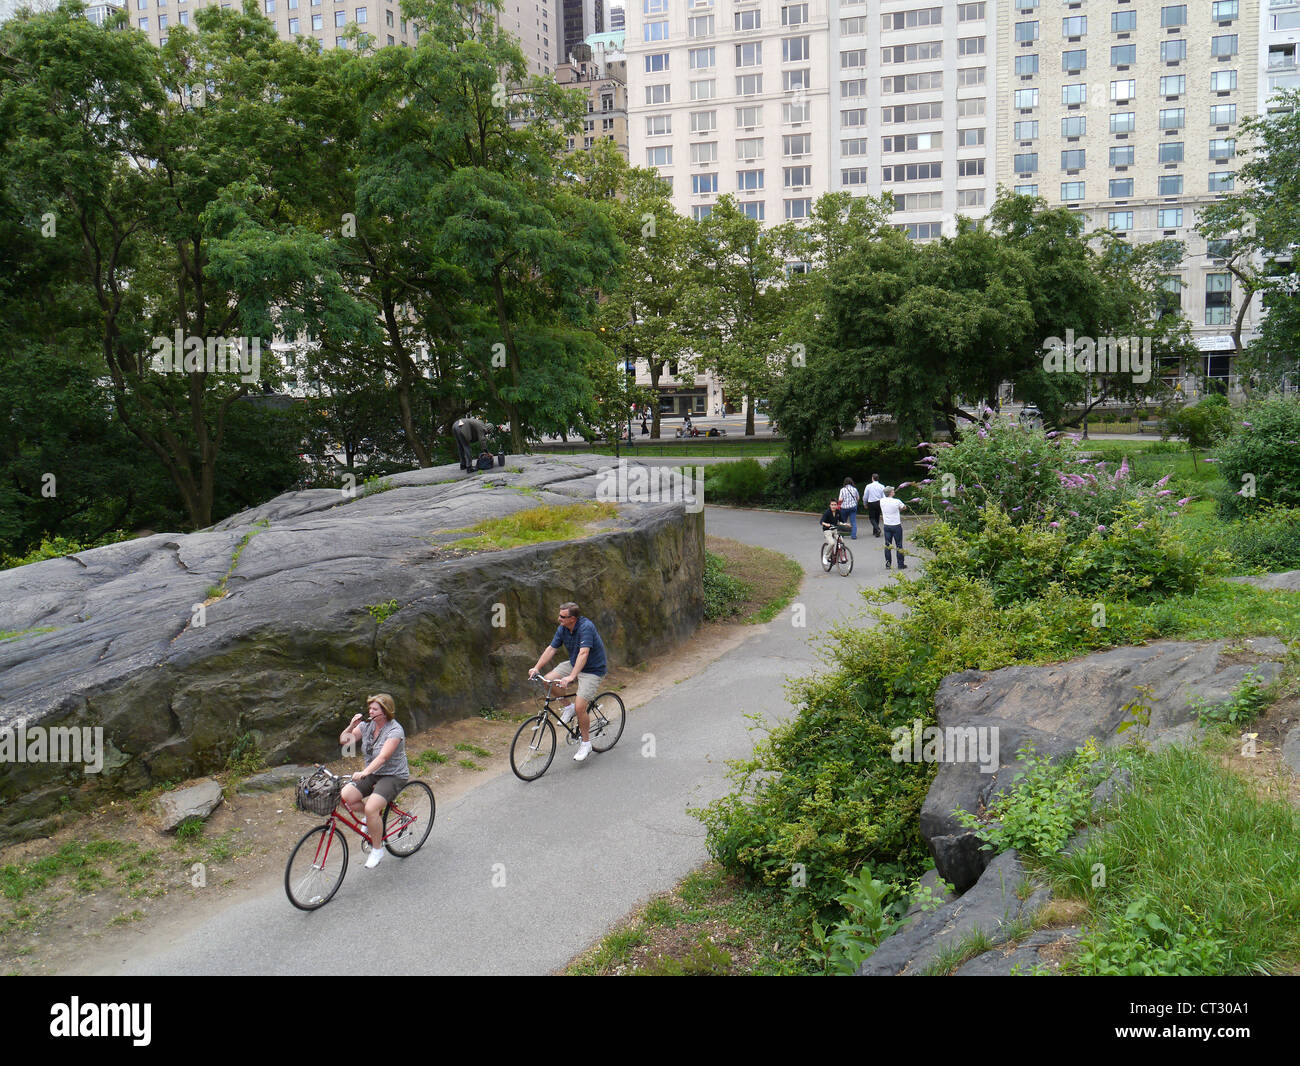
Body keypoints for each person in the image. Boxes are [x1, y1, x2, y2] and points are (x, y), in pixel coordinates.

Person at [528, 602, 609, 763]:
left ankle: (586, 743)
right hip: (574, 663)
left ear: (573, 618)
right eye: (559, 615)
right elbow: (551, 649)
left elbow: (583, 653)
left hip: (593, 670)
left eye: (562, 617)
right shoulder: (563, 628)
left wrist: (571, 677)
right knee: (549, 680)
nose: (559, 619)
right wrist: (537, 668)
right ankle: (567, 707)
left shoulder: (586, 627)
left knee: (581, 707)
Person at [338, 694, 410, 869]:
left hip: (393, 775)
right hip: (372, 773)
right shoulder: (366, 726)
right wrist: (351, 726)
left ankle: (377, 850)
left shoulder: (395, 730)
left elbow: (384, 757)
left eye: (374, 709)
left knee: (371, 807)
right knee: (345, 797)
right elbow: (345, 741)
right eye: (369, 708)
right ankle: (373, 820)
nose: (370, 711)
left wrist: (364, 772)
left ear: (385, 712)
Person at [880, 486, 907, 570]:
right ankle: (900, 564)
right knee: (899, 544)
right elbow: (904, 507)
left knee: (887, 545)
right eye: (892, 490)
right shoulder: (897, 501)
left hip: (887, 525)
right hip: (896, 525)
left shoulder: (882, 501)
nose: (893, 491)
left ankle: (888, 564)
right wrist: (898, 510)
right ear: (891, 493)